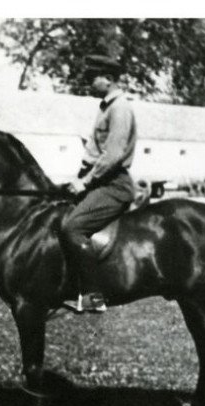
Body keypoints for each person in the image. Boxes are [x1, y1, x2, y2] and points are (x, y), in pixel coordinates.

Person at [60, 54, 137, 313]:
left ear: (109, 79)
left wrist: (86, 182)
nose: (90, 82)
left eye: (93, 77)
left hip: (114, 185)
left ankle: (94, 297)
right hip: (99, 181)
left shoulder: (120, 108)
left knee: (73, 228)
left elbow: (113, 155)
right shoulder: (106, 106)